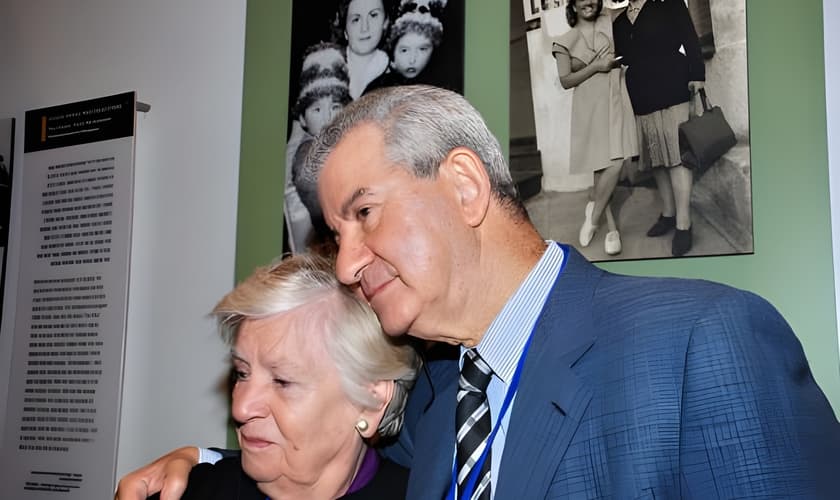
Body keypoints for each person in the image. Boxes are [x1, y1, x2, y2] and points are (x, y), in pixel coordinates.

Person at [117, 85, 840, 499]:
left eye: (363, 214)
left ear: (463, 185)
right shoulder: (434, 395)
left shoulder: (702, 346)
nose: (345, 265)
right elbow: (337, 454)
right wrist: (206, 468)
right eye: (337, 236)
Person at [147, 252, 420, 499]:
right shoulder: (190, 491)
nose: (241, 409)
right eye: (242, 373)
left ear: (370, 401)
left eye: (282, 381)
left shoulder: (425, 494)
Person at [612, 0, 705, 256]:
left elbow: (689, 37)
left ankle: (684, 224)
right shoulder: (619, 21)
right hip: (642, 94)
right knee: (657, 159)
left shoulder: (669, 4)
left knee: (677, 157)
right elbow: (624, 57)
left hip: (673, 85)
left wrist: (697, 74)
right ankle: (668, 213)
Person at [552, 0, 637, 255]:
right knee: (602, 166)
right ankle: (611, 228)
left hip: (615, 96)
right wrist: (596, 67)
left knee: (618, 162)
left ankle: (593, 214)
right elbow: (566, 81)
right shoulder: (564, 40)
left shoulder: (609, 21)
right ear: (574, 5)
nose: (589, 2)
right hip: (589, 104)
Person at [285, 42, 352, 252]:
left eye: (335, 107)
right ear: (303, 119)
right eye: (316, 109)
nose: (328, 117)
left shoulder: (342, 148)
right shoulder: (307, 153)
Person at [367, 0, 447, 90]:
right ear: (392, 52)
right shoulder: (377, 89)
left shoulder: (440, 87)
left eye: (422, 49)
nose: (412, 60)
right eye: (404, 50)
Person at [333, 0, 392, 99]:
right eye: (356, 19)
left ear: (385, 22)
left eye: (373, 15)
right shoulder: (326, 69)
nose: (364, 28)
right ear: (345, 30)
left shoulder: (396, 74)